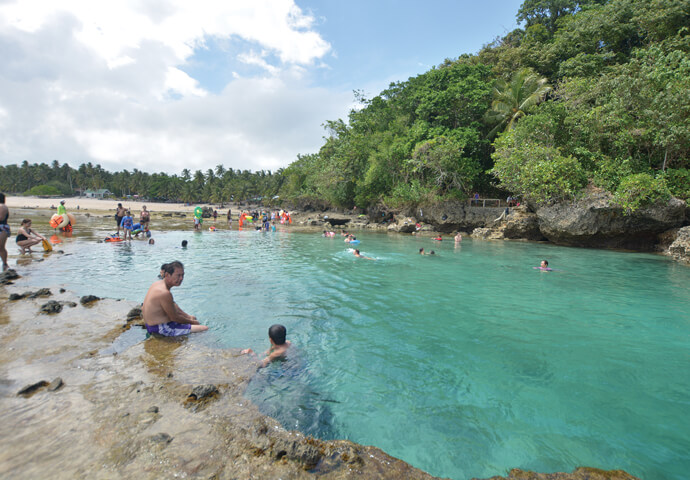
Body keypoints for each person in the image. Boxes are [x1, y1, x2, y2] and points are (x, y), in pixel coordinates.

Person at [142, 261, 208, 336]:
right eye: (178, 275)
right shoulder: (165, 293)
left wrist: (188, 317)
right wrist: (192, 322)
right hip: (160, 328)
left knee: (193, 318)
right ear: (167, 275)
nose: (181, 278)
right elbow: (174, 318)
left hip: (152, 325)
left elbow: (173, 305)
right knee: (204, 328)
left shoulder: (157, 284)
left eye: (183, 275)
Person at [0, 193, 10, 271]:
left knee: (1, 247)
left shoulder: (2, 206)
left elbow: (1, 217)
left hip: (2, 228)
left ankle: (5, 264)